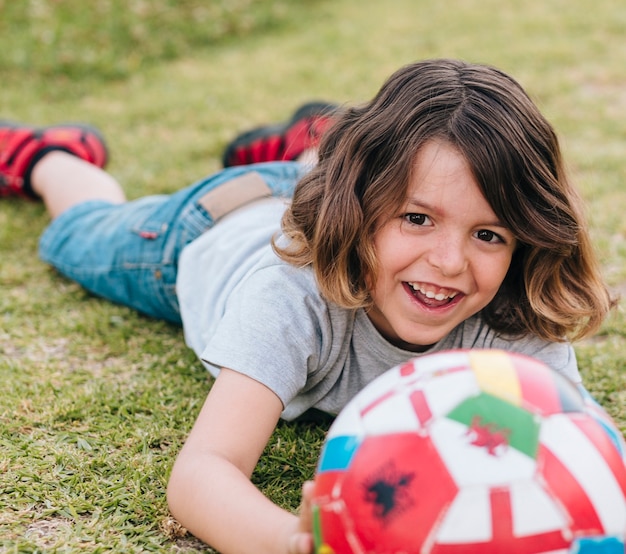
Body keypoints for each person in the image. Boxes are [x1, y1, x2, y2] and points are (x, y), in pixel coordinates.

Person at [0, 59, 615, 554]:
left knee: (336, 174)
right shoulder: (290, 295)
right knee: (78, 233)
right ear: (363, 205)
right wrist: (290, 542)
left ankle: (314, 142)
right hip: (214, 225)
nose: (450, 261)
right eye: (418, 218)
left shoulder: (517, 321)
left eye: (489, 234)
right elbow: (201, 473)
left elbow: (584, 459)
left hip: (323, 183)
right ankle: (49, 155)